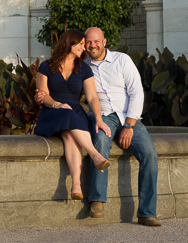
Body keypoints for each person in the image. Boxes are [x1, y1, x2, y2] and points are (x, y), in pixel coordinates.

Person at [83, 27, 161, 227]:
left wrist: (129, 125)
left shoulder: (122, 60)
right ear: (84, 43)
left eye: (96, 41)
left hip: (128, 117)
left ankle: (146, 212)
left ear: (104, 41)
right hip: (103, 117)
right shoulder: (83, 67)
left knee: (150, 155)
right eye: (89, 42)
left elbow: (136, 92)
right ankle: (97, 199)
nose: (93, 45)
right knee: (100, 140)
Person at [34, 29, 112, 201]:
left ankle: (76, 185)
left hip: (74, 112)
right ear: (70, 42)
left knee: (69, 136)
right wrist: (57, 104)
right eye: (81, 44)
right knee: (66, 114)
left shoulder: (84, 68)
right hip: (53, 112)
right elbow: (43, 95)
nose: (84, 48)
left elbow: (92, 97)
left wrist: (98, 119)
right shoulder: (46, 66)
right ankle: (94, 155)